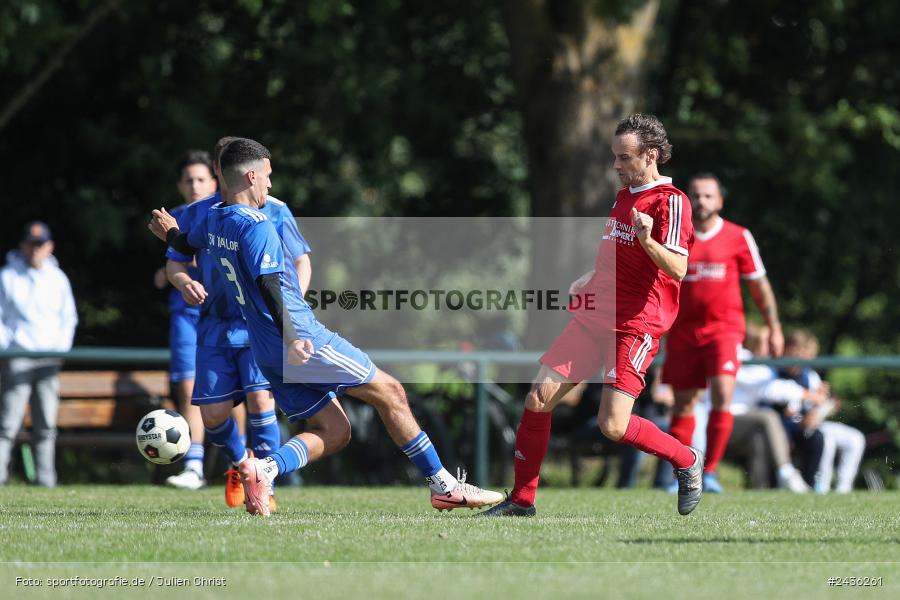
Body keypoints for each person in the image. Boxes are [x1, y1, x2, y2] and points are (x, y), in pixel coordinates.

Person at [149, 137, 504, 516]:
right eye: (267, 176)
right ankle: (445, 487)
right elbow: (270, 285)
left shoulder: (215, 217)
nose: (270, 183)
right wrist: (294, 337)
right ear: (251, 175)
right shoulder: (259, 225)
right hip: (300, 338)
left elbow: (187, 244)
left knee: (335, 431)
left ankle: (263, 469)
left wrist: (170, 233)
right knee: (391, 392)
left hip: (264, 348)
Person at [482, 114, 703, 517]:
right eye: (614, 157)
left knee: (613, 426)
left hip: (635, 326)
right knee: (537, 398)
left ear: (650, 155)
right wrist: (591, 276)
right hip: (593, 315)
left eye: (624, 157)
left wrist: (647, 238)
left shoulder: (672, 202)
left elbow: (677, 268)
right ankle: (522, 500)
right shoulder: (624, 195)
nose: (616, 165)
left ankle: (686, 460)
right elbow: (620, 254)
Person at [165, 136, 313, 512]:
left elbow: (301, 262)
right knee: (212, 415)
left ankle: (266, 485)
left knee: (262, 401)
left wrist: (292, 309)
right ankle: (240, 464)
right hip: (214, 324)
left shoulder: (274, 210)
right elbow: (176, 261)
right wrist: (185, 282)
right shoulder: (201, 213)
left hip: (257, 324)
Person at [661, 173, 784, 493]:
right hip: (683, 331)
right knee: (683, 405)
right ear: (687, 200)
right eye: (696, 195)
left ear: (719, 201)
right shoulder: (676, 237)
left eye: (708, 196)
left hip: (724, 330)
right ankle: (684, 475)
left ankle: (711, 472)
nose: (701, 201)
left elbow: (759, 285)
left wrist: (774, 328)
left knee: (722, 395)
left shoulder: (738, 236)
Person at [157, 151, 220, 490]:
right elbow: (175, 265)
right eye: (188, 180)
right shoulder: (175, 219)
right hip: (185, 313)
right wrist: (168, 274)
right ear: (180, 185)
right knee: (187, 389)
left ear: (214, 181)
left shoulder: (224, 213)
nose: (195, 185)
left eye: (201, 179)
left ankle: (243, 462)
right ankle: (194, 465)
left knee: (237, 393)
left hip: (222, 313)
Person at [0, 222, 78, 487]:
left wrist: (59, 350)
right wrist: (8, 348)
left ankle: (46, 479)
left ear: (49, 247)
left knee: (46, 423)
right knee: (8, 422)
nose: (35, 250)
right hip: (17, 357)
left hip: (48, 358)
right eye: (30, 244)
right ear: (22, 246)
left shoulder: (58, 279)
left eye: (40, 244)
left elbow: (68, 319)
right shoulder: (7, 276)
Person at [718, 323, 810, 491]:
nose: (773, 347)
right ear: (755, 343)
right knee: (767, 417)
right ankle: (786, 471)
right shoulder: (743, 359)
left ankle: (759, 489)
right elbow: (771, 389)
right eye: (768, 342)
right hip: (720, 420)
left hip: (737, 423)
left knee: (758, 436)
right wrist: (807, 394)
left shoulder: (758, 365)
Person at [776, 329, 865, 493]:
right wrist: (809, 407)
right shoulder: (777, 373)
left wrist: (828, 403)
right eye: (803, 352)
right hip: (794, 428)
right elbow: (789, 412)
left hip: (813, 424)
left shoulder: (809, 375)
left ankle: (843, 489)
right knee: (824, 438)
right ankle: (820, 487)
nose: (807, 358)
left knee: (856, 438)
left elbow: (819, 406)